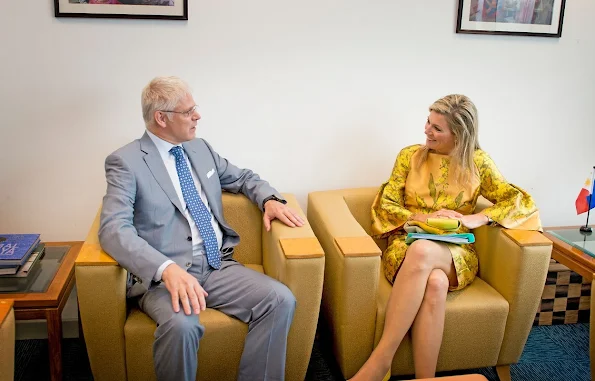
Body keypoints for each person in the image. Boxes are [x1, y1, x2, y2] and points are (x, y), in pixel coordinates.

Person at [98, 76, 305, 381]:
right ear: (162, 118)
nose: (198, 116)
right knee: (182, 327)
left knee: (279, 299)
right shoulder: (126, 162)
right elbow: (113, 229)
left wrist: (270, 200)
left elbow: (244, 177)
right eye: (188, 111)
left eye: (195, 108)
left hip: (216, 264)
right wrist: (166, 269)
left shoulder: (199, 148)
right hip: (164, 279)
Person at [350, 94, 541, 381]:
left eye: (437, 128)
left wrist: (476, 218)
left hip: (456, 252)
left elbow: (520, 201)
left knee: (427, 255)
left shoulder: (479, 163)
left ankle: (380, 363)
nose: (427, 130)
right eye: (428, 122)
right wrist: (420, 218)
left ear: (460, 135)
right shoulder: (409, 156)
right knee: (434, 281)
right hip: (406, 246)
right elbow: (385, 204)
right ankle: (424, 378)